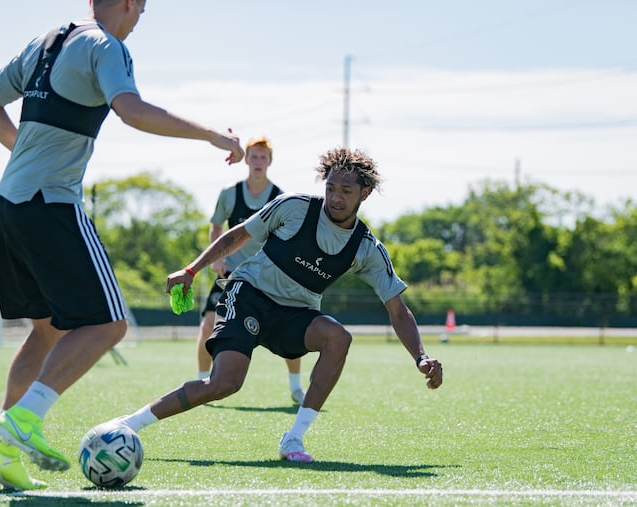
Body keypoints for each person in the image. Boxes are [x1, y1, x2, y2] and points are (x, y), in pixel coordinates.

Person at [0, 0, 244, 491]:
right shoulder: (106, 45)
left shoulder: (46, 40)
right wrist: (209, 136)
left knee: (50, 328)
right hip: (50, 203)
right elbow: (132, 111)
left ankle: (1, 449)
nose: (138, 20)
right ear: (127, 4)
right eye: (140, 11)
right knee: (110, 324)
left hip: (12, 203)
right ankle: (21, 422)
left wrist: (25, 152)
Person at [112, 147, 443, 463]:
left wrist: (421, 357)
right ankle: (128, 424)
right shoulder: (294, 207)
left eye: (346, 190)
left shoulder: (367, 248)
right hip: (250, 296)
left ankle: (294, 438)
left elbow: (398, 310)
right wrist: (191, 270)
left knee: (339, 338)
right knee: (225, 383)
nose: (336, 197)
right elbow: (237, 235)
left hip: (295, 314)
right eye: (331, 188)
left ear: (364, 194)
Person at [196, 136, 304, 404]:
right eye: (253, 156)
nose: (258, 161)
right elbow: (216, 227)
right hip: (230, 272)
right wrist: (217, 259)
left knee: (291, 327)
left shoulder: (280, 197)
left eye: (263, 157)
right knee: (209, 322)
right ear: (246, 159)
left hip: (265, 274)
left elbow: (287, 237)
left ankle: (296, 387)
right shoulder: (229, 194)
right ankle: (201, 382)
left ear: (270, 161)